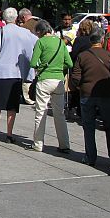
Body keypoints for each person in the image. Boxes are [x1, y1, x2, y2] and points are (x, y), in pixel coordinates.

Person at [69, 29, 110, 167]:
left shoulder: (82, 56)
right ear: (102, 40)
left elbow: (75, 76)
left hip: (87, 93)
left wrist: (80, 86)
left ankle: (90, 157)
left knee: (89, 126)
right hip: (106, 94)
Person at [0, 7, 37, 143]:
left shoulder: (1, 31)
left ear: (4, 18)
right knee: (12, 105)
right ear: (16, 18)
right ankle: (9, 134)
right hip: (16, 72)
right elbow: (36, 42)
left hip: (0, 71)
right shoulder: (25, 32)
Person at [28, 19, 72, 153]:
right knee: (59, 114)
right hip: (58, 80)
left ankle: (38, 144)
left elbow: (33, 63)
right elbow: (69, 63)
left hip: (44, 79)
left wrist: (42, 66)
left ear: (40, 32)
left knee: (41, 112)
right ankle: (64, 144)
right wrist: (58, 68)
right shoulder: (60, 42)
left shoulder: (40, 42)